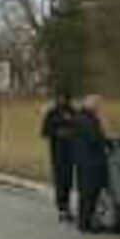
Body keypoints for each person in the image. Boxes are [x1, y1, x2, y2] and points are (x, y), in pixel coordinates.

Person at [72, 94, 110, 233]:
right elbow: (94, 138)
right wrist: (101, 124)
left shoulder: (83, 118)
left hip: (86, 161)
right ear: (91, 105)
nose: (99, 107)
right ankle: (85, 223)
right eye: (97, 105)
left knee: (87, 193)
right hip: (89, 161)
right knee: (89, 193)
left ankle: (84, 222)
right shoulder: (86, 119)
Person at [40, 93, 78, 222]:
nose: (62, 100)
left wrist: (71, 131)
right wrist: (57, 132)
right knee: (60, 179)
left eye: (65, 98)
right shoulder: (52, 113)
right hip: (57, 151)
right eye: (60, 98)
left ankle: (67, 207)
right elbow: (44, 132)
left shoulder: (73, 112)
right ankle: (62, 208)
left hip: (71, 151)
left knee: (69, 179)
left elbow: (79, 128)